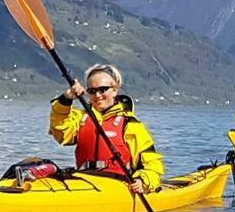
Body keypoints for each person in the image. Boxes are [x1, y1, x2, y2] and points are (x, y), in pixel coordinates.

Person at [49, 63, 164, 195]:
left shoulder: (130, 125)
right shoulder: (81, 118)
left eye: (103, 89)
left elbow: (153, 165)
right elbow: (61, 133)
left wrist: (143, 180)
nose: (97, 95)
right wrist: (66, 100)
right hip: (83, 180)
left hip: (117, 185)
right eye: (92, 91)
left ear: (114, 90)